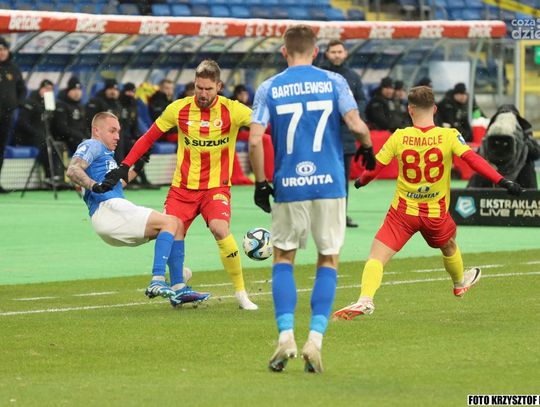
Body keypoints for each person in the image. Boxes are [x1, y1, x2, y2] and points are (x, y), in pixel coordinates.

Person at [333, 86, 523, 321]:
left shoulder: (399, 136)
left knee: (377, 257)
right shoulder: (449, 136)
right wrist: (502, 181)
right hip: (435, 214)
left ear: (410, 110)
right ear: (434, 109)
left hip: (403, 213)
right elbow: (472, 159)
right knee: (449, 245)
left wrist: (362, 181)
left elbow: (375, 167)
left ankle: (365, 299)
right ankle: (459, 283)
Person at [249, 25, 375, 373]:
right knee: (328, 259)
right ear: (316, 51)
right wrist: (367, 147)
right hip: (330, 184)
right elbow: (356, 124)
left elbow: (256, 140)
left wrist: (260, 182)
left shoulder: (269, 87)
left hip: (289, 184)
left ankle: (285, 337)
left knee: (283, 257)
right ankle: (315, 341)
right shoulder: (334, 81)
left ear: (284, 52)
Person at [99, 60, 259, 311]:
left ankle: (241, 293)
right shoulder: (179, 109)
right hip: (182, 188)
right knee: (173, 231)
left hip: (215, 188)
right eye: (198, 88)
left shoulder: (234, 110)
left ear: (219, 86)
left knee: (219, 228)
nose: (202, 94)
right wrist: (124, 165)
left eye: (208, 89)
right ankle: (178, 287)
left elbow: (265, 126)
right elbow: (148, 138)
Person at [66, 112, 210, 306]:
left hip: (111, 215)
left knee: (177, 224)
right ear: (96, 131)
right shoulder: (92, 145)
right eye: (112, 131)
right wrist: (93, 185)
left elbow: (116, 186)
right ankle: (157, 280)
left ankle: (178, 288)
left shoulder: (106, 155)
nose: (117, 136)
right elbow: (73, 169)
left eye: (118, 131)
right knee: (170, 222)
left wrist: (138, 167)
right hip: (108, 209)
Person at [320, 39, 368, 228]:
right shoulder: (320, 75)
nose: (337, 55)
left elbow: (362, 101)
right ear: (327, 54)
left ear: (346, 53)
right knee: (322, 176)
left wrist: (350, 114)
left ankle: (341, 215)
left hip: (346, 136)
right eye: (333, 52)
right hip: (323, 136)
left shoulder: (353, 77)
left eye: (340, 52)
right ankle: (322, 216)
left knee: (342, 177)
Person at [468, 104, 540, 189]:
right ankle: (530, 196)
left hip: (501, 178)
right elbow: (536, 153)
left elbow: (479, 155)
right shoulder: (521, 131)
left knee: (528, 165)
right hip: (509, 179)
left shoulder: (520, 132)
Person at [14, 79, 66, 187]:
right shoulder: (30, 102)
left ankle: (58, 176)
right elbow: (22, 123)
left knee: (55, 144)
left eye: (51, 90)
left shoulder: (49, 105)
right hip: (25, 137)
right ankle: (49, 176)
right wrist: (37, 133)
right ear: (40, 89)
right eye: (46, 89)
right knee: (45, 143)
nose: (48, 92)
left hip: (41, 136)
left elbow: (53, 125)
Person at [0, 36, 26, 193]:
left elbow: (22, 89)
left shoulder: (13, 69)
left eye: (4, 49)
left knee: (1, 149)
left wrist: (18, 103)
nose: (2, 52)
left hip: (6, 116)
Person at [52, 76, 86, 154]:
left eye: (79, 90)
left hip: (79, 138)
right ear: (68, 91)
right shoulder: (61, 106)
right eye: (74, 90)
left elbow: (85, 126)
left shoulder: (81, 106)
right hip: (67, 139)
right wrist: (80, 136)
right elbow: (62, 128)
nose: (77, 92)